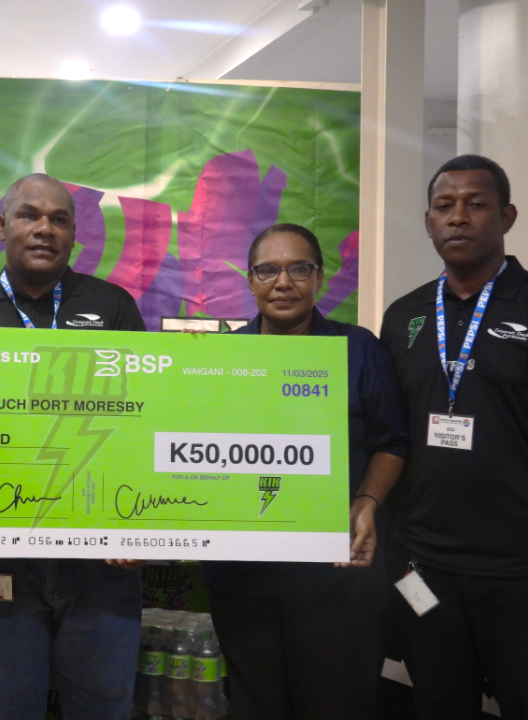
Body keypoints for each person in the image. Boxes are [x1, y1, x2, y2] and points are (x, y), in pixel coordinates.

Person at [0, 173, 147, 720]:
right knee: (4, 709)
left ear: (74, 233)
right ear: (2, 226)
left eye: (59, 219)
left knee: (103, 709)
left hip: (99, 553)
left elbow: (145, 422)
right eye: (29, 215)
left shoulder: (113, 307)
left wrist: (139, 525)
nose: (44, 228)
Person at [197, 223, 407, 720]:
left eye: (298, 268)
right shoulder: (217, 359)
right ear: (250, 280)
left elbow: (392, 442)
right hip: (243, 580)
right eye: (268, 270)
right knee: (257, 707)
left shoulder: (357, 348)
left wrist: (367, 501)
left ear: (319, 278)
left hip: (336, 577)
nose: (283, 282)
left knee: (335, 705)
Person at [379, 155, 528, 718]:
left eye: (476, 204)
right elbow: (388, 434)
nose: (458, 217)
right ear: (428, 221)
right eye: (444, 206)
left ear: (507, 216)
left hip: (524, 570)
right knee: (438, 704)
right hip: (424, 566)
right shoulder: (404, 317)